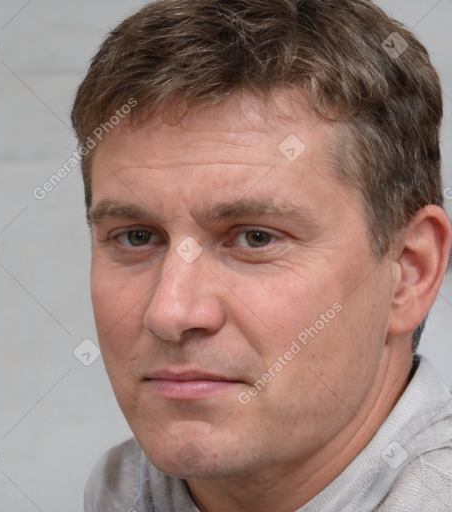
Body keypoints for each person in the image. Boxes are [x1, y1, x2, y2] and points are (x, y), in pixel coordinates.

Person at [71, 0, 452, 510]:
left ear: (409, 272)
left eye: (255, 238)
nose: (170, 313)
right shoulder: (121, 492)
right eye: (137, 237)